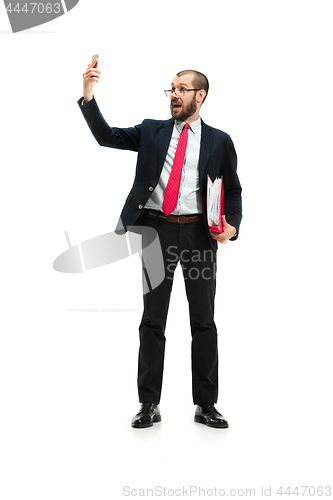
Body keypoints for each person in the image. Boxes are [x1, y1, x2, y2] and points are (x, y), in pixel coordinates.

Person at [78, 59, 242, 428]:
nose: (174, 95)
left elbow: (233, 190)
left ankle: (206, 404)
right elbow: (107, 137)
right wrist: (89, 94)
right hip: (156, 232)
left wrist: (232, 226)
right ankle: (148, 403)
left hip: (200, 236)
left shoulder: (219, 140)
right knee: (153, 319)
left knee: (203, 321)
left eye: (182, 89)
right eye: (171, 89)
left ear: (200, 95)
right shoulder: (151, 131)